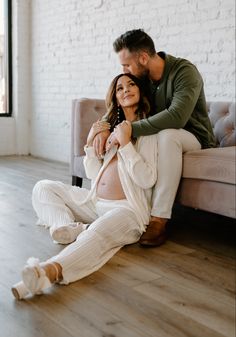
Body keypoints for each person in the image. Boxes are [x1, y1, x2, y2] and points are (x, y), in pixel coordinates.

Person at [11, 73, 159, 300]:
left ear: (141, 91)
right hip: (95, 202)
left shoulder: (149, 131)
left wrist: (127, 142)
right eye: (119, 88)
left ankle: (49, 272)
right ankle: (67, 228)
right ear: (115, 98)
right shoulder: (111, 129)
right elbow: (92, 174)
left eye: (131, 85)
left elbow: (147, 179)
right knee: (43, 187)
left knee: (98, 234)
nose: (125, 90)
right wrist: (90, 143)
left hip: (126, 211)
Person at [93, 28, 216, 247]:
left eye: (127, 64)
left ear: (143, 58)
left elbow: (177, 117)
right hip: (160, 138)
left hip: (195, 139)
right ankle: (130, 205)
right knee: (159, 137)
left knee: (168, 135)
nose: (124, 70)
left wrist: (129, 129)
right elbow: (118, 103)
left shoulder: (184, 72)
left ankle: (159, 218)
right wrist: (103, 126)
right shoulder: (142, 78)